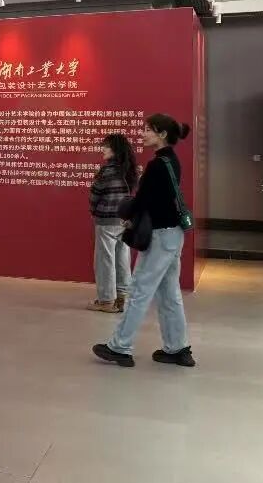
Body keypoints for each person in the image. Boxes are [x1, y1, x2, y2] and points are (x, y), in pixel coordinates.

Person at [93, 114, 196, 369]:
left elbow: (143, 200)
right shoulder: (171, 161)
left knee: (139, 290)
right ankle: (177, 348)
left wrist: (128, 214)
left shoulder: (157, 165)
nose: (143, 134)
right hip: (173, 234)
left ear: (162, 134)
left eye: (148, 130)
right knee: (169, 293)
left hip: (160, 236)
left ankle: (120, 346)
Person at [87, 133, 139, 313]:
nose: (103, 149)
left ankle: (106, 300)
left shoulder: (107, 171)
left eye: (106, 146)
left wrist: (93, 210)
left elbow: (95, 195)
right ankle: (123, 297)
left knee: (105, 260)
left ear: (115, 150)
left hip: (106, 220)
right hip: (123, 220)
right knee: (122, 258)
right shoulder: (128, 171)